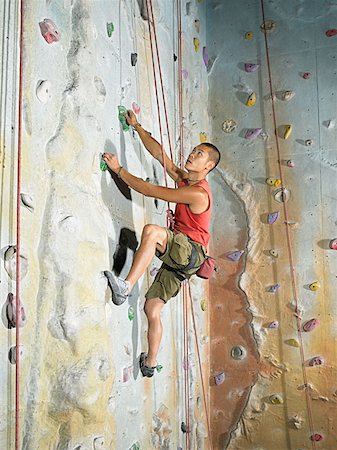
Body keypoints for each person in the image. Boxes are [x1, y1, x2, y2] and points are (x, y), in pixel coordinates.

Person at [103, 110, 220, 378]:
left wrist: (119, 170)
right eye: (194, 150)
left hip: (190, 251)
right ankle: (150, 363)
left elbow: (151, 191)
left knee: (153, 232)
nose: (192, 154)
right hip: (184, 260)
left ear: (208, 166)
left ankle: (125, 286)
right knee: (151, 308)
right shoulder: (186, 178)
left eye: (199, 154)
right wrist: (138, 127)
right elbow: (161, 156)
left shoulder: (197, 192)